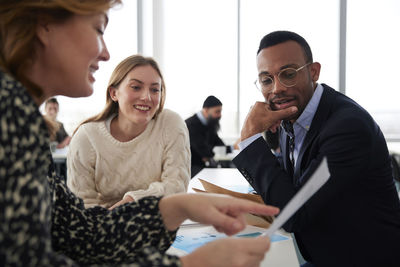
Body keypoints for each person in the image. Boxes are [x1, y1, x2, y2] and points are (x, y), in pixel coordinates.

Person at [0, 1, 280, 266]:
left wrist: (176, 206)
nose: (105, 53)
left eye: (155, 89)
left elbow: (79, 234)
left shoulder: (18, 112)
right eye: (98, 29)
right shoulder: (11, 112)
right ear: (45, 25)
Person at [233, 30, 400, 267]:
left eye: (288, 74)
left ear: (314, 72)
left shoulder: (347, 127)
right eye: (267, 80)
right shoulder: (291, 115)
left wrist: (249, 138)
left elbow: (294, 213)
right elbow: (293, 184)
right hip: (322, 253)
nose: (276, 89)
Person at [67, 55, 191, 209]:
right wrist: (114, 220)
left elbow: (177, 187)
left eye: (154, 90)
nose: (147, 97)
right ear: (114, 93)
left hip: (157, 224)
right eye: (136, 87)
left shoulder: (170, 124)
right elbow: (82, 207)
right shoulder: (86, 137)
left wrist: (131, 201)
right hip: (104, 228)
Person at [185, 95, 235, 177]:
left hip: (205, 165)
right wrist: (213, 151)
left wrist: (230, 148)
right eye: (217, 111)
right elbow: (205, 151)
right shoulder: (190, 125)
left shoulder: (210, 123)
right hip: (191, 167)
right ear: (206, 110)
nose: (220, 115)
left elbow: (219, 144)